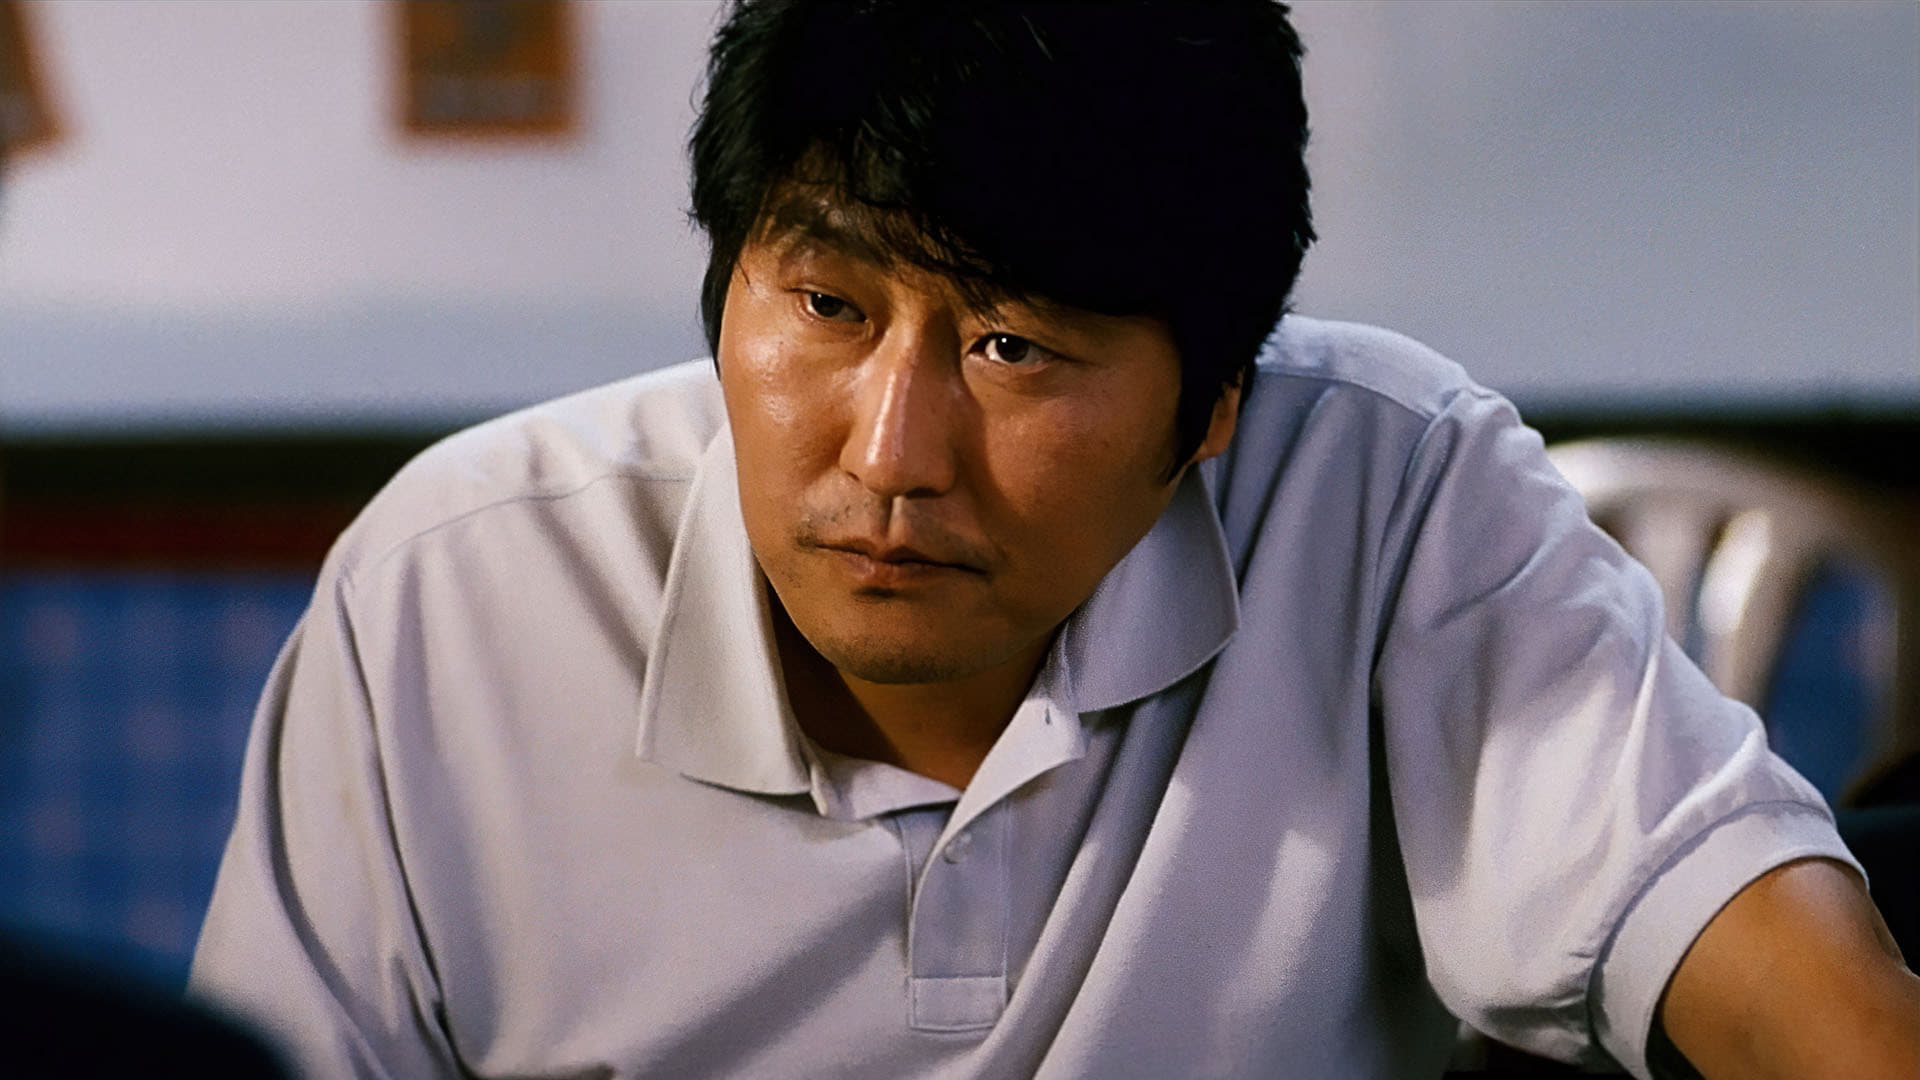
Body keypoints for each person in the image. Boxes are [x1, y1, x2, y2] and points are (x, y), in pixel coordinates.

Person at [188, 2, 1920, 1077]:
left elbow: (1768, 965)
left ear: (1214, 399)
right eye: (826, 305)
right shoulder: (454, 590)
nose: (890, 453)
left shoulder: (1381, 487)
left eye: (1014, 347)